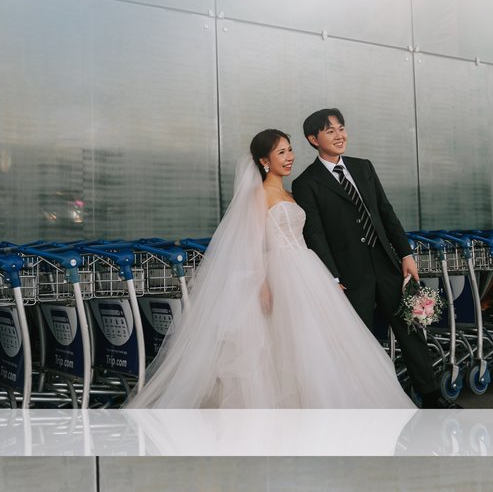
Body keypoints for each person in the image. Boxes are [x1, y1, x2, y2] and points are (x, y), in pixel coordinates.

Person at [124, 129, 414, 409]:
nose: (289, 157)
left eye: (290, 150)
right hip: (281, 272)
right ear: (264, 161)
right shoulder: (258, 196)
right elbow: (252, 245)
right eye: (281, 152)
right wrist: (262, 283)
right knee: (289, 342)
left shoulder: (291, 194)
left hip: (308, 269)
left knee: (319, 342)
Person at [293, 108, 454, 407]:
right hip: (349, 274)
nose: (340, 135)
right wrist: (332, 277)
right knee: (358, 341)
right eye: (330, 131)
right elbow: (315, 235)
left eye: (341, 128)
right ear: (313, 139)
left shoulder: (363, 166)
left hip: (386, 263)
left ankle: (431, 397)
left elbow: (385, 212)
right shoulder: (306, 183)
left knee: (411, 331)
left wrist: (405, 253)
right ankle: (363, 404)